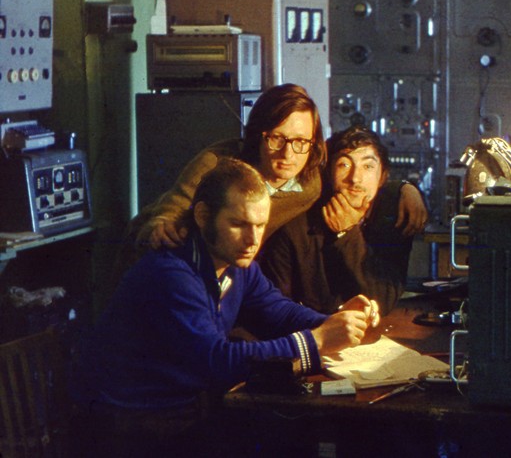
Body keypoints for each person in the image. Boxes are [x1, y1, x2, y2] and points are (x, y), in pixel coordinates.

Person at [70, 158, 380, 455]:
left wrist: (338, 321)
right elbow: (218, 361)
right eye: (238, 224)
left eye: (260, 225)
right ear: (203, 216)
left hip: (180, 410)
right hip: (132, 425)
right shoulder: (173, 272)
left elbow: (277, 311)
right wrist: (319, 339)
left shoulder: (235, 263)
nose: (252, 240)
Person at [108, 84, 427, 311]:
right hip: (162, 266)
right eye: (276, 138)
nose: (288, 154)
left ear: (313, 145)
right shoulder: (220, 164)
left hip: (233, 280)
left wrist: (405, 189)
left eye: (300, 141)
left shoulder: (311, 175)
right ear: (258, 135)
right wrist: (161, 225)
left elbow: (357, 175)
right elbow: (173, 208)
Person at [260, 126, 413, 316]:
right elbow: (276, 311)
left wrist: (348, 233)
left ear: (382, 176)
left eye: (368, 166)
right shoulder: (294, 231)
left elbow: (383, 299)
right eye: (344, 165)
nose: (355, 179)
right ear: (329, 173)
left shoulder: (392, 223)